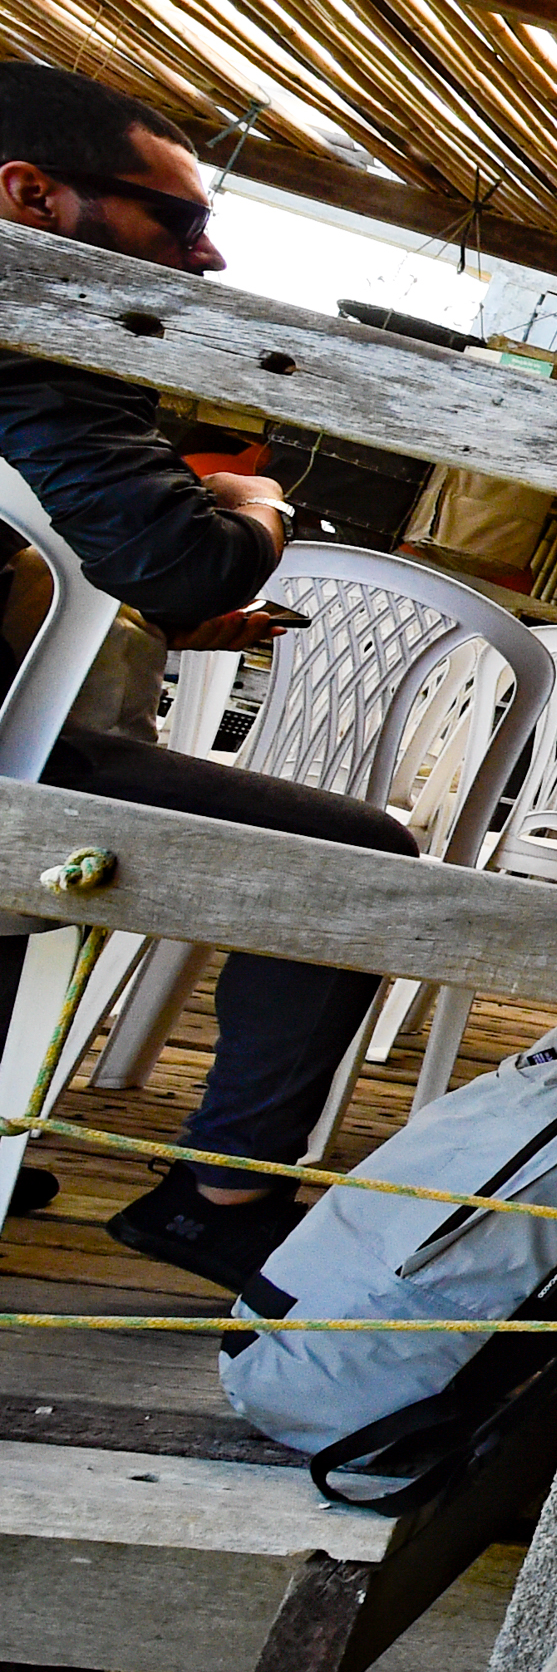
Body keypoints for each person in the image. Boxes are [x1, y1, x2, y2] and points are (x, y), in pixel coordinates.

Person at [0, 62, 416, 1279]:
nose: (209, 255)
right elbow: (182, 561)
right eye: (178, 219)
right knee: (359, 855)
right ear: (30, 195)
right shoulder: (35, 338)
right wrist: (255, 498)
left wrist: (149, 622)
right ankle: (221, 1193)